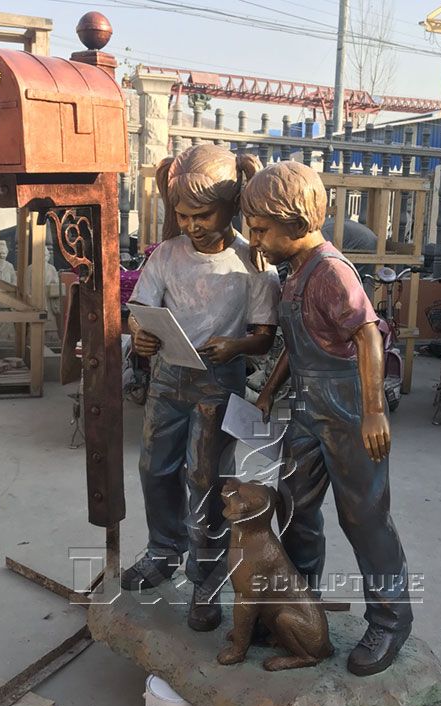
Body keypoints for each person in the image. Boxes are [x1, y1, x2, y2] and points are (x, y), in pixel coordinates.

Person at [242, 161, 413, 676]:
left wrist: (373, 411)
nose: (256, 239)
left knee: (363, 516)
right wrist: (269, 392)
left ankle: (390, 619)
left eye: (261, 228)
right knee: (295, 508)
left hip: (347, 406)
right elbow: (300, 345)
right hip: (307, 407)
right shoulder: (295, 274)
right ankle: (301, 607)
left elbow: (366, 335)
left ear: (294, 220)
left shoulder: (332, 271)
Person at [124, 144, 281, 632]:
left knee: (205, 479)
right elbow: (141, 308)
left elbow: (265, 336)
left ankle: (206, 576)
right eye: (183, 215)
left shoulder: (251, 263)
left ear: (231, 206)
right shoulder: (167, 255)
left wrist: (235, 346)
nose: (191, 225)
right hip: (169, 377)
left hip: (218, 384)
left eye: (202, 215)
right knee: (154, 466)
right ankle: (162, 550)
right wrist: (142, 335)